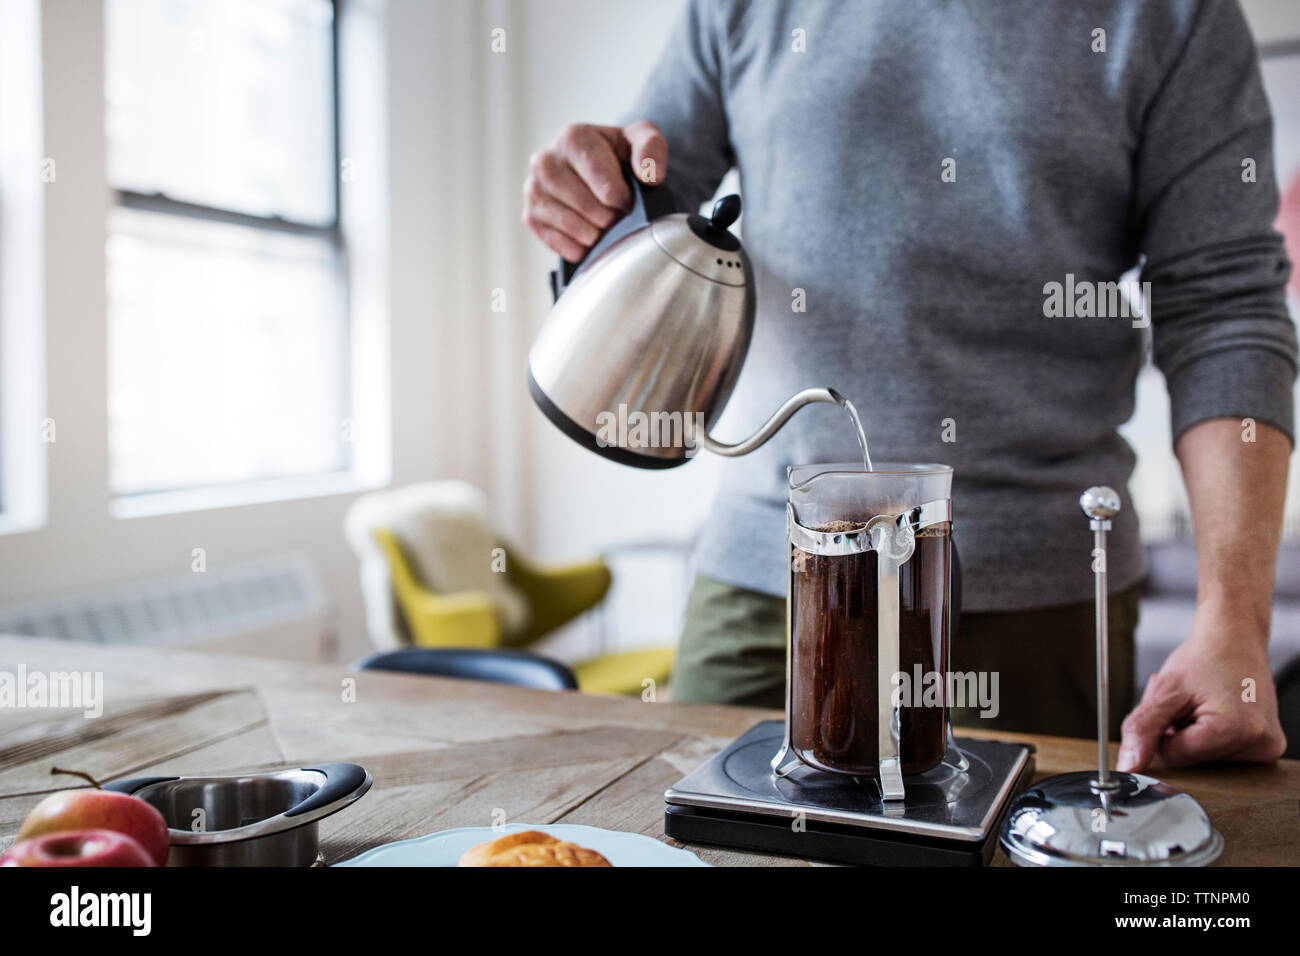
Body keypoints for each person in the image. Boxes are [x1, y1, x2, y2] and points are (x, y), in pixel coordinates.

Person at [521, 0, 1294, 772]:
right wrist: (587, 197)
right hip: (764, 583)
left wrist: (1232, 621)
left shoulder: (1176, 16)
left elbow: (1225, 305)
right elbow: (648, 200)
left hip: (1037, 602)